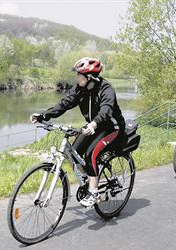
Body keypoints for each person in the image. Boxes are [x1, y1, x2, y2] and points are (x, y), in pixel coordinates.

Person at [30, 57, 126, 207]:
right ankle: (91, 177)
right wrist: (43, 115)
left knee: (90, 154)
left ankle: (93, 191)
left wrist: (94, 124)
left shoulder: (106, 89)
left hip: (111, 127)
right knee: (74, 153)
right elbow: (64, 104)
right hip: (93, 126)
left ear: (89, 77)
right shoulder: (80, 90)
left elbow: (106, 110)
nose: (76, 78)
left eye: (79, 75)